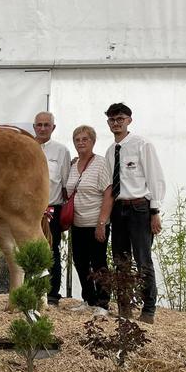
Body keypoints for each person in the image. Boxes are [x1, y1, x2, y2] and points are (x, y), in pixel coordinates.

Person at [104, 103, 165, 324]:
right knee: (121, 260)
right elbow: (110, 185)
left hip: (140, 208)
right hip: (119, 209)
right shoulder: (110, 151)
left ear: (129, 120)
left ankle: (148, 310)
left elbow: (155, 177)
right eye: (111, 119)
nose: (115, 123)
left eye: (120, 118)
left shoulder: (142, 144)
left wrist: (154, 211)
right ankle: (124, 308)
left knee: (143, 260)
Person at [65, 125, 113, 316]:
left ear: (93, 141)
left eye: (85, 139)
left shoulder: (100, 164)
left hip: (95, 223)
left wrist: (102, 222)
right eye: (77, 139)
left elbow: (108, 193)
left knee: (99, 263)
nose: (81, 142)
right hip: (78, 224)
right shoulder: (73, 165)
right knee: (81, 262)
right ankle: (89, 299)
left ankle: (103, 303)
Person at [33, 111, 71, 305]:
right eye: (39, 125)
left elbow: (65, 184)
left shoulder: (61, 151)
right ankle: (30, 292)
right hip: (28, 212)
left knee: (52, 251)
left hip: (51, 209)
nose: (42, 128)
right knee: (28, 250)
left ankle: (52, 294)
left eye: (46, 125)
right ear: (34, 127)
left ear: (53, 128)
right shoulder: (25, 149)